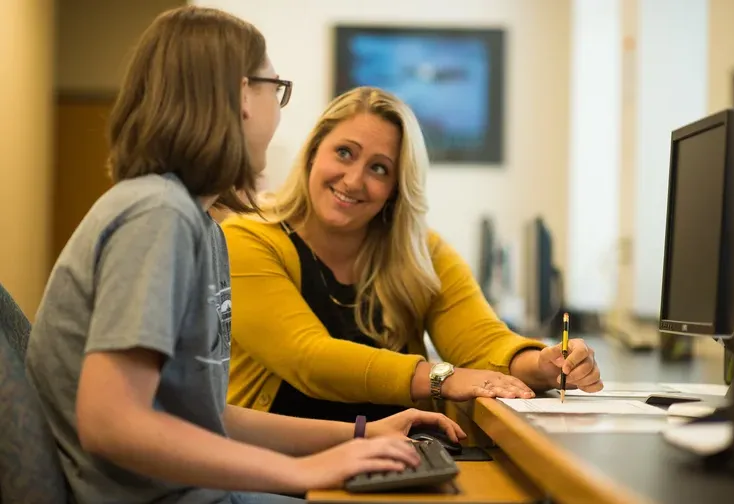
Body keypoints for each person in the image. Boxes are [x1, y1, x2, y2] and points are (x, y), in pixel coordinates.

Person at [24, 8, 465, 504]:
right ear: (240, 97)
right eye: (274, 88)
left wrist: (362, 435)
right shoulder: (156, 215)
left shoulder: (200, 224)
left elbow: (213, 418)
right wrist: (303, 473)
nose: (279, 111)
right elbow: (112, 423)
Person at [222, 86, 604, 423]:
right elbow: (308, 358)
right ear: (312, 153)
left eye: (378, 168)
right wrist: (442, 377)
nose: (354, 180)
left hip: (396, 459)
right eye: (343, 153)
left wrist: (542, 365)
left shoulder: (422, 252)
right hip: (281, 471)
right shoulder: (247, 238)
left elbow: (482, 342)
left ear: (396, 187)